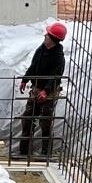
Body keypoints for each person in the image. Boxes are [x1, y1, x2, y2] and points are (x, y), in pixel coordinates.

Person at [18, 21, 66, 160]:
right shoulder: (41, 49)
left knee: (45, 121)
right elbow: (34, 66)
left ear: (53, 40)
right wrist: (25, 79)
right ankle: (24, 152)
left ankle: (46, 153)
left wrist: (46, 91)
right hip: (36, 88)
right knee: (27, 119)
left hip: (49, 92)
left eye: (48, 35)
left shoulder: (58, 57)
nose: (45, 36)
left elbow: (55, 76)